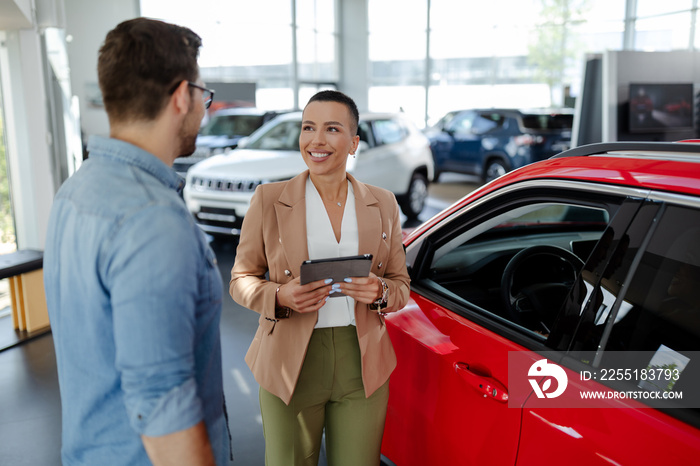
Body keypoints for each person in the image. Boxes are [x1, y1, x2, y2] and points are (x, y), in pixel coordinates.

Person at [43, 18, 231, 465]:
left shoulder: (75, 192)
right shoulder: (153, 221)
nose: (203, 108)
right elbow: (165, 413)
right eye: (203, 95)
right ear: (182, 96)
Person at [230, 90, 410, 466]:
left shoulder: (384, 203)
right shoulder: (268, 199)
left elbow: (400, 286)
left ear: (354, 142)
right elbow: (240, 279)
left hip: (361, 362)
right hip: (290, 359)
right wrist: (280, 296)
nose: (316, 140)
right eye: (308, 127)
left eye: (331, 128)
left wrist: (379, 291)